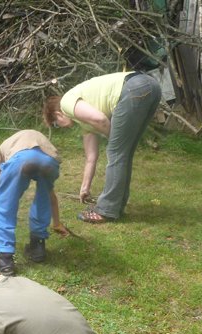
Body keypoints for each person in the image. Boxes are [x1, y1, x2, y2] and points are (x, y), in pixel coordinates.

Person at [44, 71, 161, 223]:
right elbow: (91, 158)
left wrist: (113, 140)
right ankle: (116, 206)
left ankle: (106, 211)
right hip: (151, 86)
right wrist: (85, 187)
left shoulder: (66, 103)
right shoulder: (83, 122)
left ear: (58, 114)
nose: (60, 127)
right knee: (123, 153)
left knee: (116, 152)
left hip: (134, 88)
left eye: (55, 125)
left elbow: (101, 120)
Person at [0, 130, 69, 276]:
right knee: (43, 198)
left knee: (3, 205)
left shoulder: (1, 151)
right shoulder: (33, 138)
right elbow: (50, 197)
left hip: (20, 158)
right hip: (49, 160)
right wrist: (57, 223)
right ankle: (38, 247)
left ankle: (5, 260)